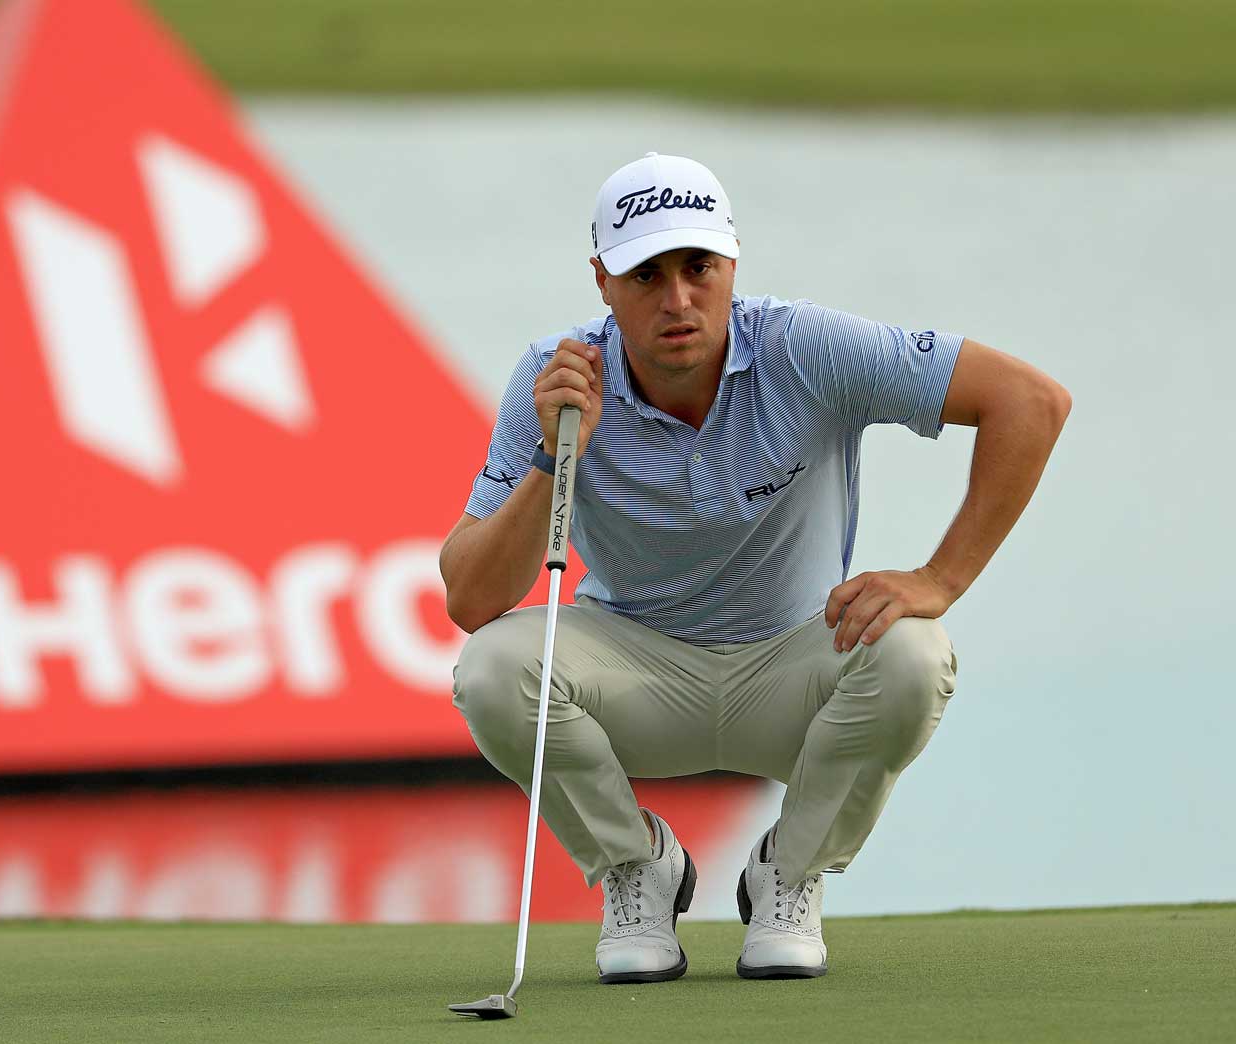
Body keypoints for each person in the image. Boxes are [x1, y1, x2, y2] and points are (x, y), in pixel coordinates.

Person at [440, 153, 1070, 982]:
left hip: (795, 670)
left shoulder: (802, 346)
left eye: (698, 267)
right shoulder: (557, 377)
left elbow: (1029, 401)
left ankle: (789, 875)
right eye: (645, 274)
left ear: (732, 260)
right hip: (637, 673)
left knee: (916, 652)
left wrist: (939, 578)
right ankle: (638, 869)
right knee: (492, 670)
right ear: (601, 280)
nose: (677, 299)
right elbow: (473, 596)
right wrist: (556, 456)